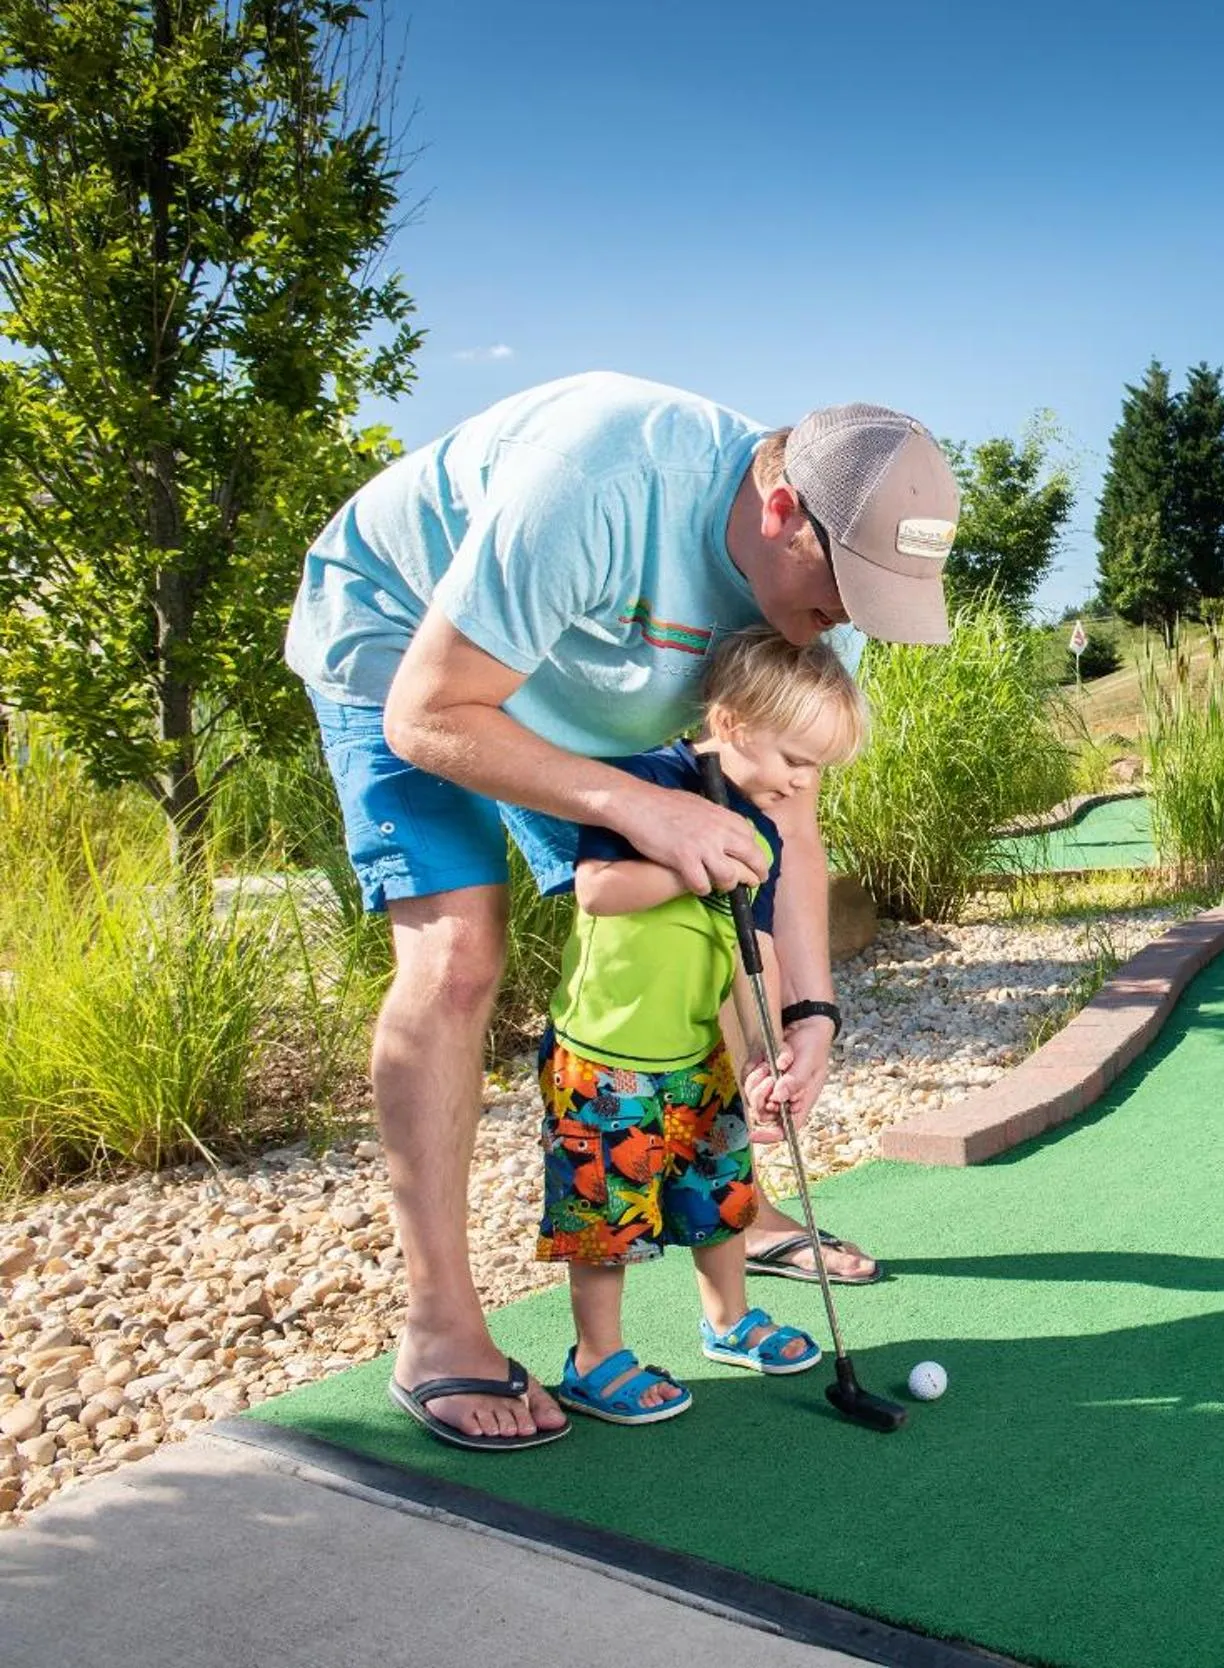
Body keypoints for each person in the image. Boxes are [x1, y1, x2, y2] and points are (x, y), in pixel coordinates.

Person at [284, 372, 957, 1449]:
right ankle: (442, 1324)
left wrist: (815, 1013)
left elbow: (788, 829)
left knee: (699, 909)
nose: (845, 625)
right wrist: (637, 805)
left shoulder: (835, 589)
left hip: (602, 680)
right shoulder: (600, 480)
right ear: (782, 509)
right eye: (839, 595)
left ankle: (731, 1217)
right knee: (460, 955)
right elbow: (428, 714)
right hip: (408, 650)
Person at [534, 630, 865, 1426]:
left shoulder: (765, 828)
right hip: (604, 1055)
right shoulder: (649, 782)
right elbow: (599, 890)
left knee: (722, 1194)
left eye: (816, 767)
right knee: (605, 1218)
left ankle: (728, 1321)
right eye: (796, 758)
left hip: (696, 1053)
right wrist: (695, 864)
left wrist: (766, 1054)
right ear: (734, 722)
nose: (803, 780)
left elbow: (758, 943)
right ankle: (595, 1360)